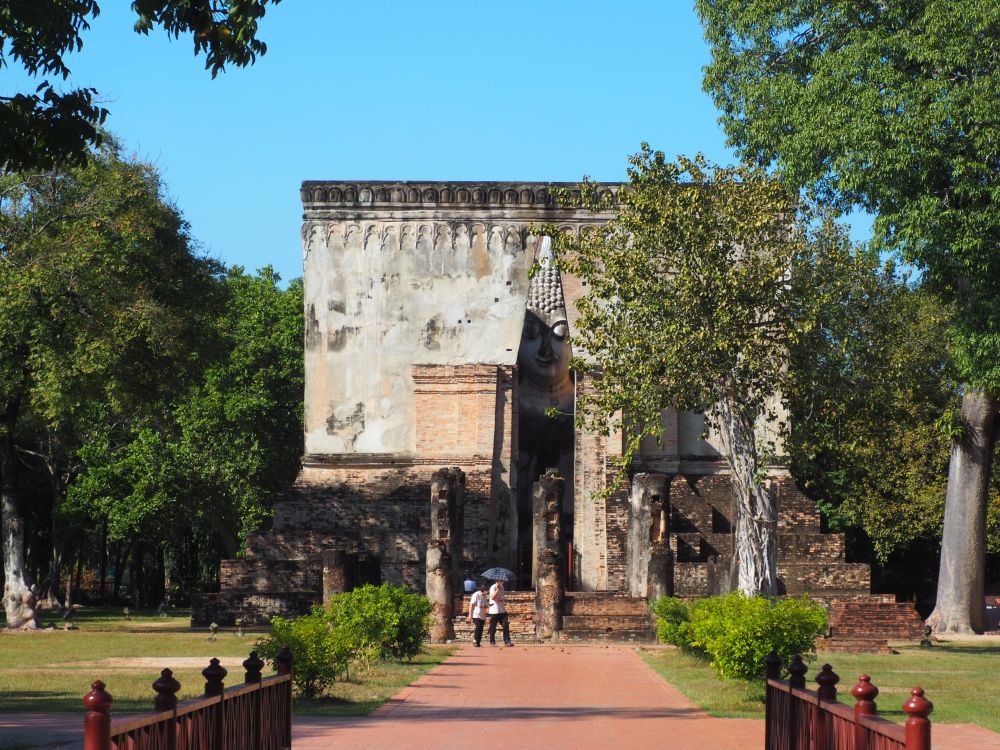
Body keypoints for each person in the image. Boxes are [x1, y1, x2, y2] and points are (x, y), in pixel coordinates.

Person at [488, 578, 513, 647]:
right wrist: (497, 590)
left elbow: (502, 598)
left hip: (502, 610)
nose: (503, 582)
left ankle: (507, 641)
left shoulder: (502, 588)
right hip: (494, 611)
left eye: (503, 581)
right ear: (497, 581)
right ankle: (492, 642)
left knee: (505, 625)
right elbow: (492, 597)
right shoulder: (493, 587)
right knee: (493, 627)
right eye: (501, 581)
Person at [466, 581, 488, 647]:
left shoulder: (485, 596)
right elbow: (471, 605)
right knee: (478, 627)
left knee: (481, 628)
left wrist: (487, 606)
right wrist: (470, 615)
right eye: (486, 591)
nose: (487, 592)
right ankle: (474, 640)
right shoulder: (476, 595)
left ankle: (478, 643)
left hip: (482, 614)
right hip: (475, 614)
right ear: (483, 590)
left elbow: (484, 605)